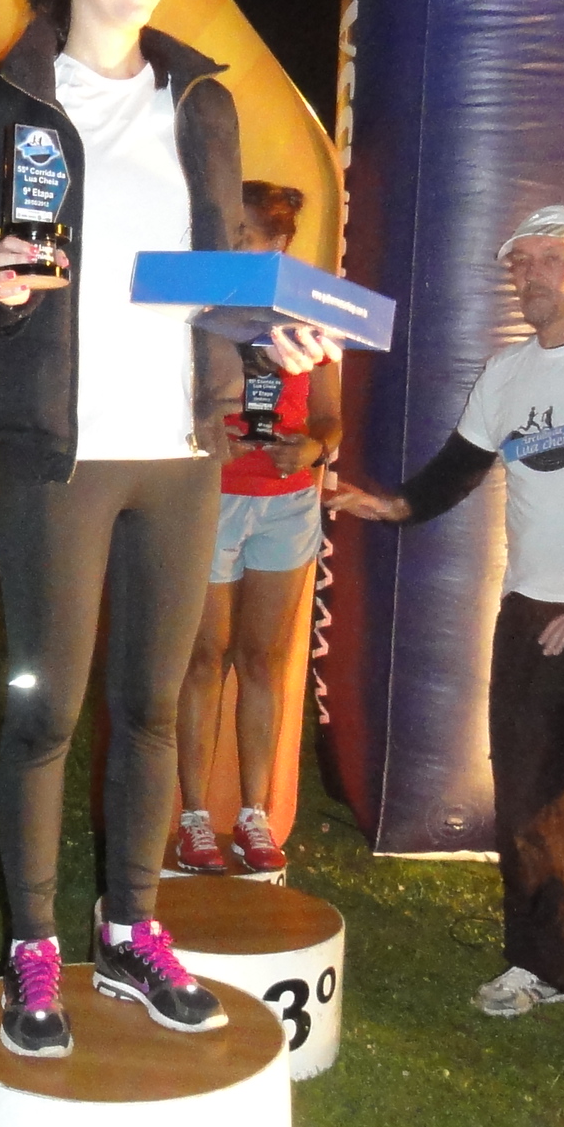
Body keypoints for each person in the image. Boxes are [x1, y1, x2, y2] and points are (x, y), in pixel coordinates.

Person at [0, 0, 333, 1059]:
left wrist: (270, 327)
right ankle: (33, 949)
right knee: (46, 711)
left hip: (180, 449)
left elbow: (213, 277)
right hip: (61, 452)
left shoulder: (198, 101)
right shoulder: (1, 106)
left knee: (153, 709)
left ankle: (131, 929)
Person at [329, 205, 564, 1074]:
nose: (529, 274)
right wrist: (392, 506)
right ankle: (539, 966)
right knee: (531, 800)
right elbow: (458, 470)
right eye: (520, 262)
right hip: (533, 614)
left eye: (549, 259)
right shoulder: (506, 372)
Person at [170, 181, 341, 880]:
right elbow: (167, 402)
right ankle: (192, 818)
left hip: (287, 502)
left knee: (263, 659)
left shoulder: (314, 312)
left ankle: (254, 816)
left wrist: (314, 448)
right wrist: (210, 434)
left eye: (247, 234)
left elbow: (328, 417)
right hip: (212, 496)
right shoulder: (199, 307)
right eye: (228, 233)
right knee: (203, 657)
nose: (235, 245)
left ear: (279, 242)